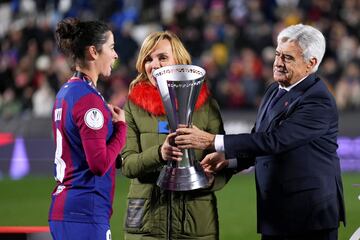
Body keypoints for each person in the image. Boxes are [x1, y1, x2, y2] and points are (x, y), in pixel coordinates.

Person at [175, 24, 346, 240]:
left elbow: (274, 141)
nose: (277, 63)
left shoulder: (318, 100)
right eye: (277, 54)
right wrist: (231, 161)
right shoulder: (274, 89)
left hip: (310, 216)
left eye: (288, 58)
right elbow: (259, 137)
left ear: (311, 64)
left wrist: (211, 141)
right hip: (276, 212)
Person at [121, 31, 232, 240]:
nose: (154, 65)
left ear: (179, 61)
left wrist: (210, 181)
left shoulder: (206, 106)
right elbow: (128, 165)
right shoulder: (133, 106)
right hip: (145, 225)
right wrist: (160, 154)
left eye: (162, 57)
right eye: (148, 59)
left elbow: (223, 163)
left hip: (195, 224)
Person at [48, 18, 127, 240]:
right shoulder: (88, 100)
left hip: (67, 211)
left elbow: (80, 153)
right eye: (111, 47)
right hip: (85, 214)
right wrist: (121, 129)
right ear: (93, 52)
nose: (115, 55)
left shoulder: (66, 92)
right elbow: (99, 164)